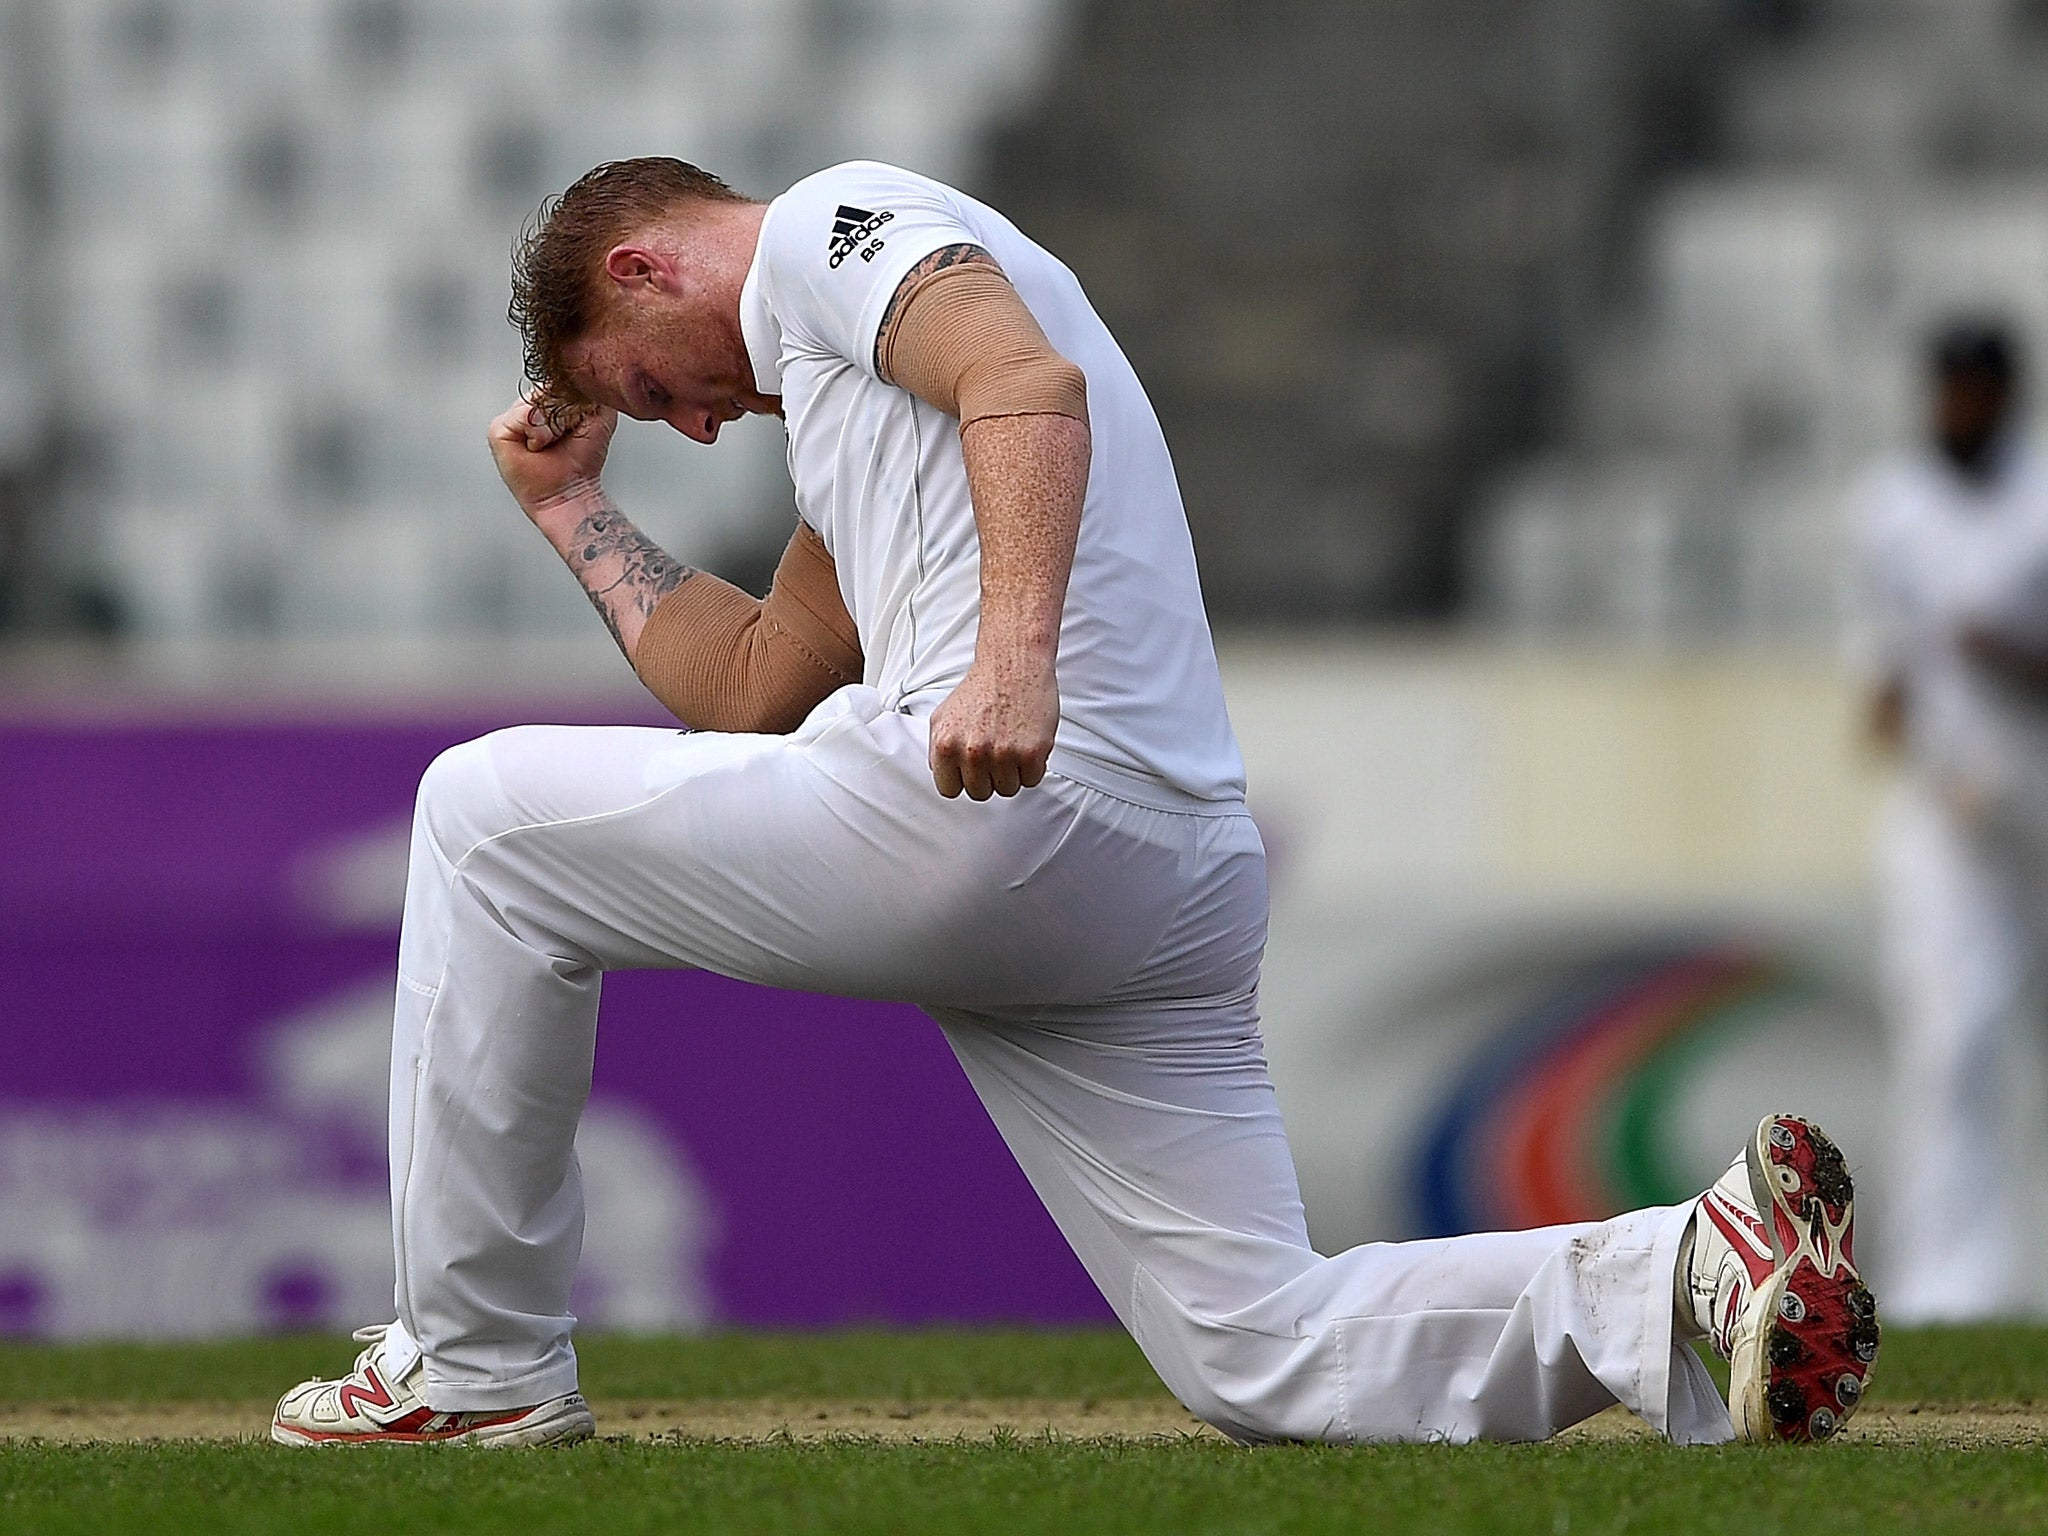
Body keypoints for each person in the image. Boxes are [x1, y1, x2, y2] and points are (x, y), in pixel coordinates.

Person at [269, 157, 1876, 1447]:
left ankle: (472, 1367)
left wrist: (1014, 661)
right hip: (1157, 875)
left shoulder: (837, 225)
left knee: (478, 816)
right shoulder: (845, 402)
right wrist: (570, 508)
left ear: (645, 269)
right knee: (1259, 1351)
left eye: (646, 389)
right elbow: (755, 684)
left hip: (1003, 797)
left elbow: (1020, 381)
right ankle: (1680, 1274)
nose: (689, 422)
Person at [1860, 321, 2048, 1320]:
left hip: (2041, 806)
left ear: (2005, 396)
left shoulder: (2039, 504)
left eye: (1976, 393)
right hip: (1946, 819)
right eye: (1947, 392)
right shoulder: (1889, 508)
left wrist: (2006, 653)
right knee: (1949, 1039)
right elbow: (1881, 677)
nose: (1958, 412)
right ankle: (1948, 1286)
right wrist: (1908, 734)